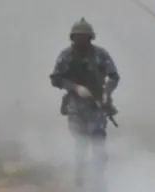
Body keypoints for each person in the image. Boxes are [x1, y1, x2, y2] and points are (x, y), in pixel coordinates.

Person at [50, 18, 120, 192]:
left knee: (98, 143)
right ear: (72, 38)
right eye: (77, 37)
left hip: (97, 104)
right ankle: (80, 181)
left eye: (84, 37)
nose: (80, 40)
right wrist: (75, 87)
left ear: (90, 38)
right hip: (76, 105)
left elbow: (114, 76)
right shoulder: (66, 56)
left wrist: (107, 92)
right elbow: (56, 78)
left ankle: (99, 181)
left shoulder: (100, 55)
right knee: (80, 144)